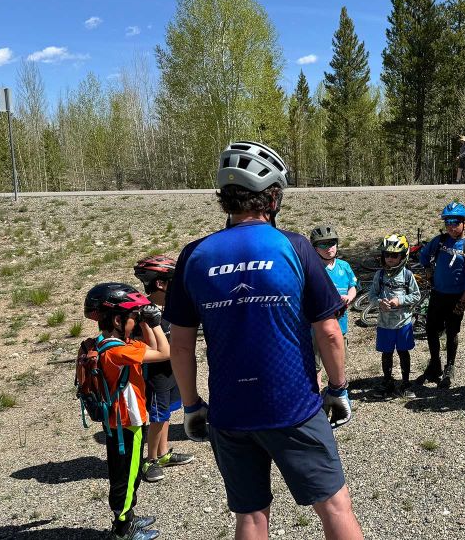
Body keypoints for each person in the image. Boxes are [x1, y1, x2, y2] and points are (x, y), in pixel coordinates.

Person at [164, 141, 363, 540]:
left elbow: (181, 344)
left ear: (225, 198)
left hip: (230, 410)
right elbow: (328, 331)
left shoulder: (194, 254)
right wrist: (339, 388)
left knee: (252, 518)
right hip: (293, 405)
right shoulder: (295, 247)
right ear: (272, 196)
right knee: (335, 507)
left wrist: (190, 406)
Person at [83, 282, 170, 540]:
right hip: (128, 423)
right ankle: (123, 528)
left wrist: (143, 321)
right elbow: (164, 352)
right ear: (119, 320)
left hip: (117, 422)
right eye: (132, 317)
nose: (136, 321)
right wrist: (154, 322)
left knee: (123, 472)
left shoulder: (107, 343)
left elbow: (152, 349)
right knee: (128, 476)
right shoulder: (120, 351)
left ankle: (128, 516)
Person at [132, 255, 194, 483]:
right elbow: (147, 346)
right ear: (160, 283)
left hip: (171, 370)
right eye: (173, 280)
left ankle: (163, 452)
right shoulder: (143, 311)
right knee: (157, 416)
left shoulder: (170, 305)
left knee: (166, 413)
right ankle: (149, 460)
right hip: (155, 374)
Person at [415, 202, 465, 389]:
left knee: (452, 332)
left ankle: (450, 366)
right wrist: (428, 270)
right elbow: (424, 256)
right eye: (448, 222)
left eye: (455, 222)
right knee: (431, 329)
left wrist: (464, 300)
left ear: (464, 223)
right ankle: (434, 364)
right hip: (438, 293)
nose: (451, 226)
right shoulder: (440, 241)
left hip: (457, 297)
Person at [368, 234, 421, 399]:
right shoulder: (380, 275)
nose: (390, 258)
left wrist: (400, 300)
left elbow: (416, 295)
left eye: (394, 255)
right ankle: (387, 381)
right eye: (387, 254)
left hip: (403, 323)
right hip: (384, 323)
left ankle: (405, 382)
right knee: (386, 353)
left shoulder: (407, 275)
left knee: (404, 352)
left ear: (403, 256)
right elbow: (371, 296)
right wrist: (379, 302)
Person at [310, 225, 358, 390]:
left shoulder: (344, 266)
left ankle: (337, 391)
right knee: (315, 363)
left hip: (340, 323)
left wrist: (350, 298)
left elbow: (353, 285)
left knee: (338, 360)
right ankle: (316, 392)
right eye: (322, 245)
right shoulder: (312, 266)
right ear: (315, 248)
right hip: (317, 325)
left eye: (331, 243)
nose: (328, 248)